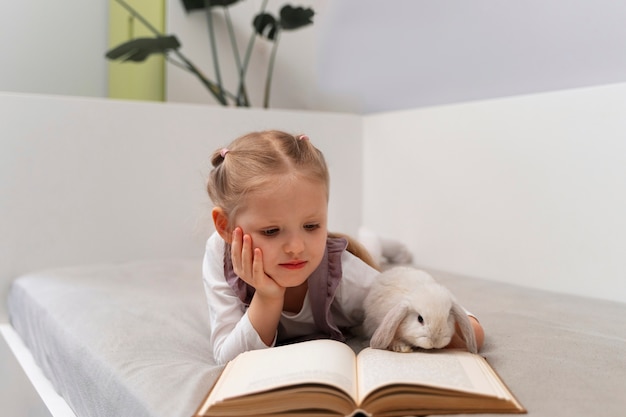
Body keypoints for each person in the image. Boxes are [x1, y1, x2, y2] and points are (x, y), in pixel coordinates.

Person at [202, 130, 483, 364]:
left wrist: (455, 329)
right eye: (272, 231)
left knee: (369, 254)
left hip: (353, 264)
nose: (296, 247)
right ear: (225, 227)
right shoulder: (221, 255)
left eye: (311, 226)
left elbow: (468, 326)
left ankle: (375, 240)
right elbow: (228, 359)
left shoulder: (344, 274)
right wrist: (268, 297)